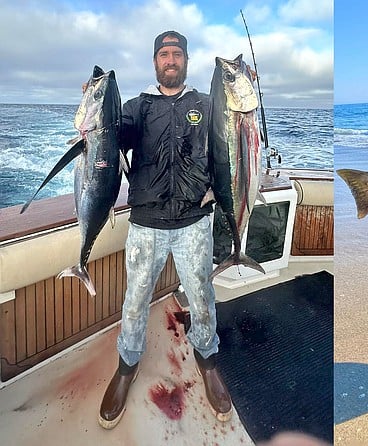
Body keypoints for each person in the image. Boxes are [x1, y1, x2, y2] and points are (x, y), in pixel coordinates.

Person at [98, 31, 232, 429]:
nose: (170, 59)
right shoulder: (136, 108)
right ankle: (127, 366)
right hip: (146, 224)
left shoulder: (205, 105)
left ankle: (208, 362)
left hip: (195, 222)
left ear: (186, 60)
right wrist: (93, 112)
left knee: (203, 298)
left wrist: (245, 91)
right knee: (135, 302)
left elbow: (235, 133)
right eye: (164, 54)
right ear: (155, 61)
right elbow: (110, 137)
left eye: (176, 53)